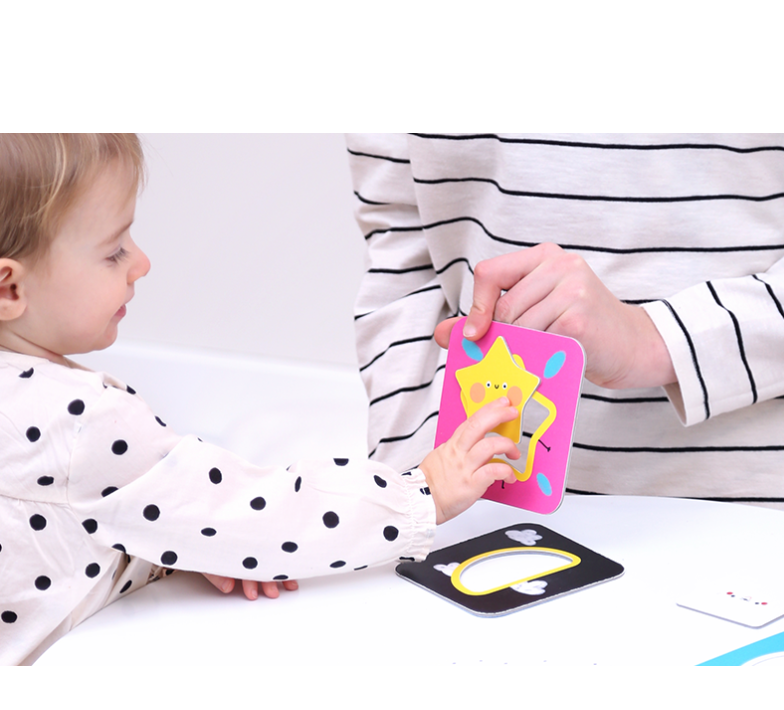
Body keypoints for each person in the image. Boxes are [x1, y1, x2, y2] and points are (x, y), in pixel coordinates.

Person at [0, 134, 522, 666]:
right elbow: (265, 513)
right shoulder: (83, 424)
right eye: (114, 251)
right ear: (9, 288)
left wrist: (182, 544)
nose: (141, 263)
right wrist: (424, 493)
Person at [347, 133, 784, 513]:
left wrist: (659, 339)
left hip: (755, 515)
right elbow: (400, 238)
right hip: (465, 512)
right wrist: (413, 494)